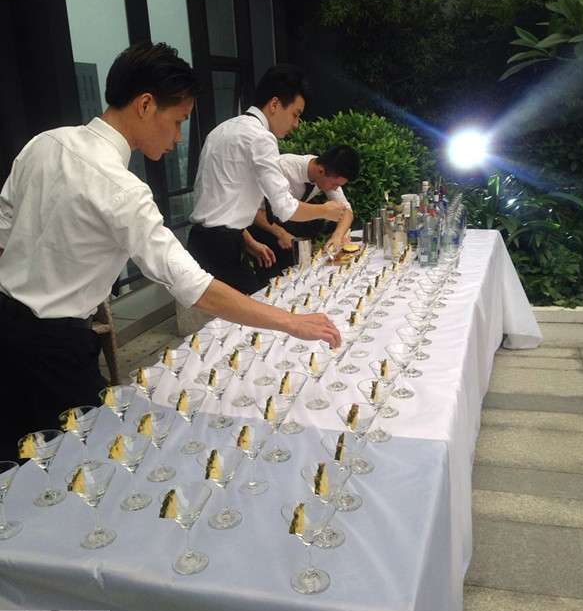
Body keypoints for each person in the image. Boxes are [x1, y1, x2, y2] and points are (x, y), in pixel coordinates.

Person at [0, 43, 340, 458]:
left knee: (15, 462)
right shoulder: (121, 188)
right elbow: (193, 286)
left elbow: (3, 232)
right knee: (81, 463)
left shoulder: (44, 143)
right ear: (145, 105)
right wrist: (292, 322)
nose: (179, 137)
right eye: (178, 121)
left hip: (8, 327)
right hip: (55, 350)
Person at [187, 64, 346, 294]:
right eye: (295, 114)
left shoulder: (221, 129)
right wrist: (324, 210)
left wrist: (248, 242)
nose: (296, 124)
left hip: (202, 242)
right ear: (274, 104)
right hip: (222, 248)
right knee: (256, 311)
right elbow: (284, 208)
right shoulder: (261, 137)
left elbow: (218, 203)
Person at [248, 145, 359, 284]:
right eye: (334, 184)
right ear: (321, 171)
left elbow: (347, 210)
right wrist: (280, 233)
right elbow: (252, 209)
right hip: (262, 226)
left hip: (290, 225)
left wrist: (337, 236)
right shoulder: (283, 168)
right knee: (271, 283)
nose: (335, 188)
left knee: (298, 276)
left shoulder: (326, 173)